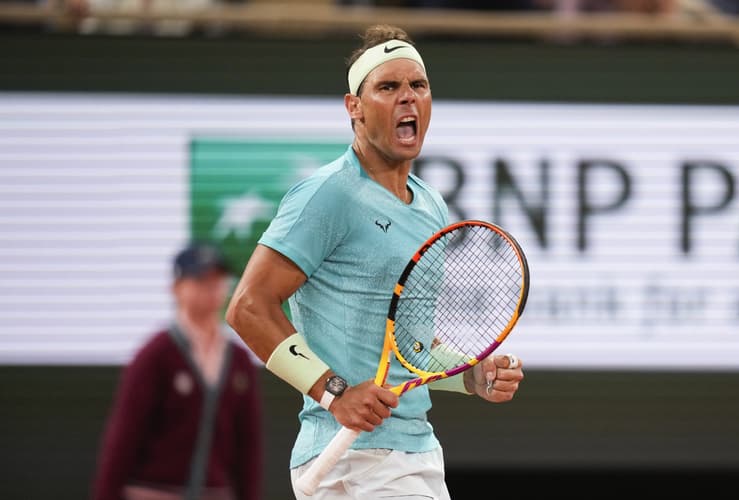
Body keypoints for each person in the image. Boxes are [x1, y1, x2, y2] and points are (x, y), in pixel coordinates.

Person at [225, 24, 524, 500]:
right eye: (388, 87)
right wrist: (335, 393)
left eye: (418, 85)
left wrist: (469, 375)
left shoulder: (431, 207)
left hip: (411, 455)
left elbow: (410, 347)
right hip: (358, 463)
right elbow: (247, 307)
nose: (408, 97)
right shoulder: (328, 194)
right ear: (354, 107)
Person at [91, 242, 263, 500]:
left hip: (214, 493)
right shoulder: (156, 354)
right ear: (176, 287)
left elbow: (248, 445)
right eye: (201, 279)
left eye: (218, 280)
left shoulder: (238, 360)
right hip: (154, 491)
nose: (212, 288)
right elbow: (124, 436)